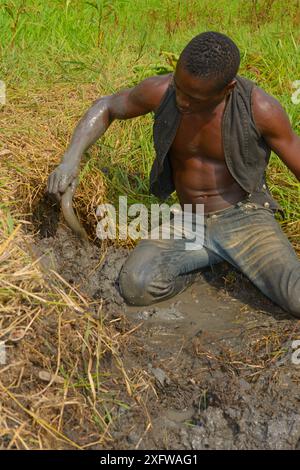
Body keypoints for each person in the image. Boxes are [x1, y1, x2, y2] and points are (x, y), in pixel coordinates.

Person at [47, 31, 300, 317]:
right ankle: (209, 260)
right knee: (136, 285)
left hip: (244, 219)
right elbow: (106, 107)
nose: (181, 100)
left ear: (227, 89)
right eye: (179, 87)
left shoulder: (260, 109)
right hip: (188, 219)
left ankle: (230, 255)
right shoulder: (163, 90)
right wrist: (70, 161)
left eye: (193, 97)